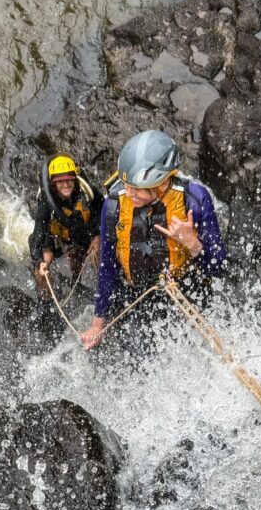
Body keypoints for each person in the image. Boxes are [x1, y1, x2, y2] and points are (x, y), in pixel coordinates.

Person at [80, 130, 227, 351]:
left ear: (162, 183)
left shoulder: (194, 200)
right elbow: (107, 266)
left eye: (137, 189)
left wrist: (192, 243)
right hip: (135, 295)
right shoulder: (114, 204)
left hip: (184, 291)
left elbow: (219, 268)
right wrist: (97, 323)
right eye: (126, 185)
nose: (129, 193)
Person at [29, 155, 103, 299]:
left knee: (97, 252)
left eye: (69, 180)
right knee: (42, 268)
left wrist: (98, 235)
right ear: (53, 183)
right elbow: (38, 236)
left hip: (83, 232)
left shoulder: (87, 191)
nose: (66, 184)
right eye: (60, 181)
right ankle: (46, 299)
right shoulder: (46, 202)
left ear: (74, 180)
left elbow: (105, 211)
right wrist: (39, 263)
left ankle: (101, 291)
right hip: (56, 237)